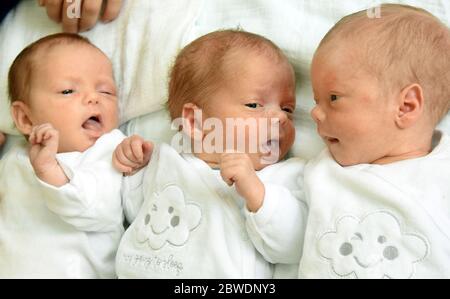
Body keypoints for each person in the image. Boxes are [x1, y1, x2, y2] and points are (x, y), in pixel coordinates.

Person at [244, 4, 450, 279]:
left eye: (334, 98)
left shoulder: (441, 175)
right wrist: (256, 194)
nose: (314, 112)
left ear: (406, 107)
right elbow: (289, 247)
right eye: (316, 100)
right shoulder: (319, 173)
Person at [112, 30, 306, 278]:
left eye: (288, 109)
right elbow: (132, 212)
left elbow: (293, 247)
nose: (280, 118)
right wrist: (133, 167)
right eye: (254, 105)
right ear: (195, 122)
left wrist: (256, 192)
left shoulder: (284, 177)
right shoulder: (165, 160)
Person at [0, 33, 134, 278]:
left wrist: (49, 169)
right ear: (26, 119)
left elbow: (97, 211)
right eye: (68, 91)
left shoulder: (109, 151)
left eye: (106, 92)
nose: (93, 98)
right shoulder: (14, 159)